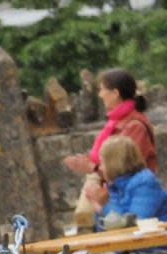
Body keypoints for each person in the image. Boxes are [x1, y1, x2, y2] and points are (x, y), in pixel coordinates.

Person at [65, 68, 157, 227]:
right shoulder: (115, 122)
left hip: (125, 194)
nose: (100, 95)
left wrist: (91, 167)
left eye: (102, 90)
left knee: (92, 227)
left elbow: (125, 169)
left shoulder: (134, 126)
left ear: (115, 93)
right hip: (112, 191)